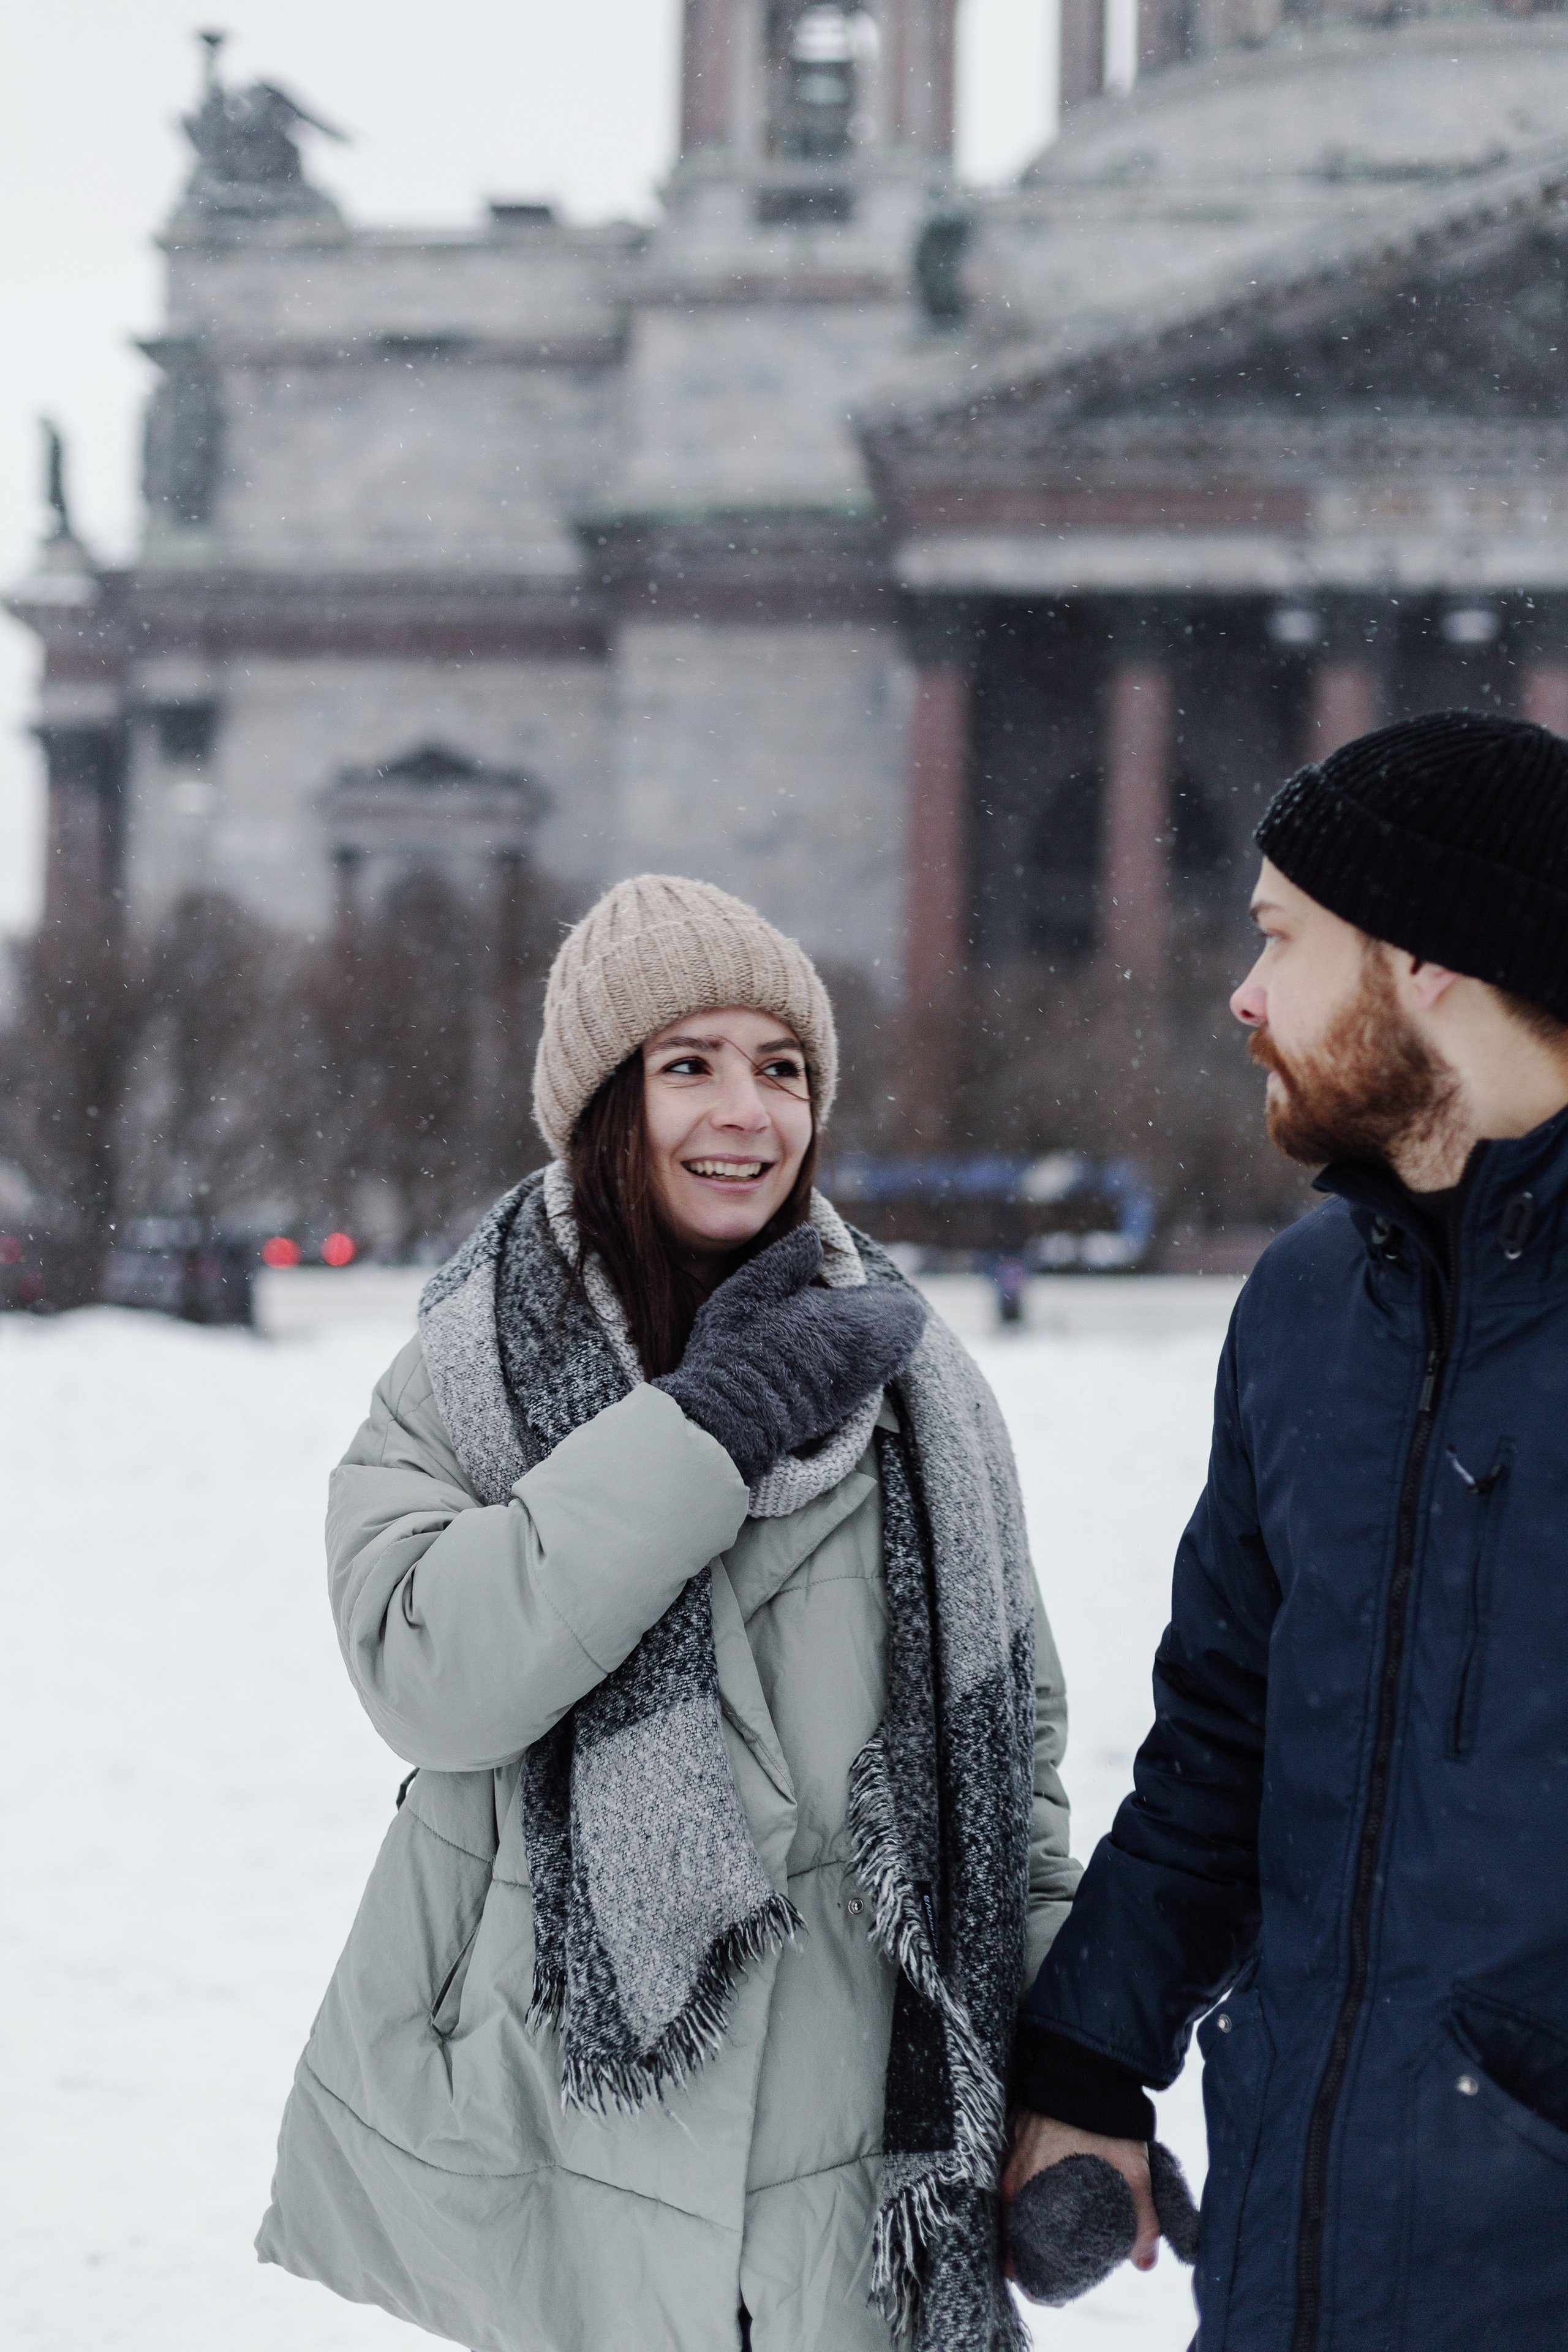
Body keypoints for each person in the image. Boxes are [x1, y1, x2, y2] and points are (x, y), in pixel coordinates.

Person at [257, 873, 1082, 2352]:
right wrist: (696, 1437)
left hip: (846, 2178)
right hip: (565, 2141)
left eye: (779, 1071)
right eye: (686, 1066)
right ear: (603, 1102)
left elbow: (1006, 1783)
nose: (742, 1115)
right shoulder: (469, 1371)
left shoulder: (916, 1387)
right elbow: (428, 1672)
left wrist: (1077, 2096)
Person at [1004, 711, 1568, 2351]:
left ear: (1422, 961)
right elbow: (1226, 1747)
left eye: (1281, 942)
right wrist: (1090, 2059)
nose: (1243, 998)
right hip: (1298, 2265)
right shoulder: (1312, 1307)